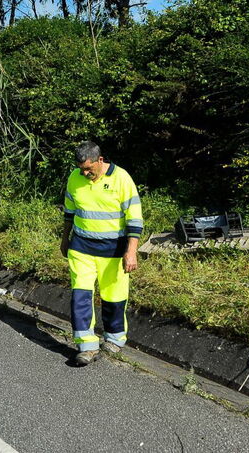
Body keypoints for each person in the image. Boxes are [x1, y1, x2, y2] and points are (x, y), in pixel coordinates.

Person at [60, 141, 143, 366]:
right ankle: (86, 345)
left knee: (114, 297)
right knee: (81, 296)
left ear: (100, 160)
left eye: (89, 169)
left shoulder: (122, 178)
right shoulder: (74, 178)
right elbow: (69, 211)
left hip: (114, 249)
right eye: (81, 169)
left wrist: (131, 251)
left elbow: (134, 218)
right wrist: (65, 238)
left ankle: (115, 338)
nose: (85, 173)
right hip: (81, 247)